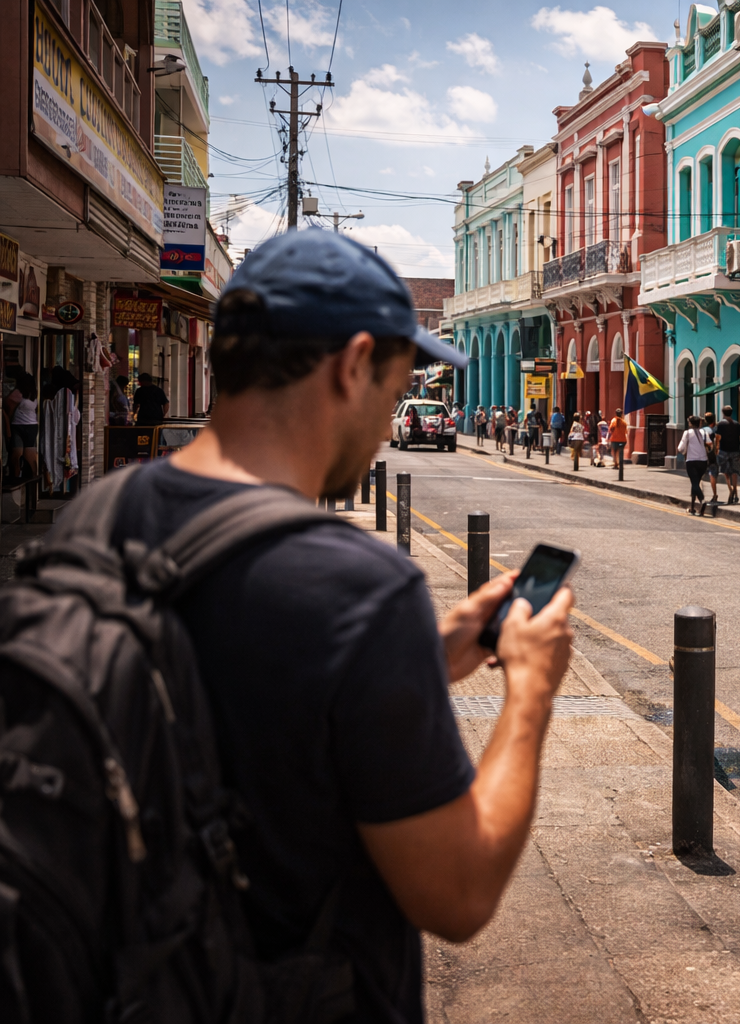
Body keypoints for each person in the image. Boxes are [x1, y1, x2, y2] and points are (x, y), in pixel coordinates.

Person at [103, 231, 573, 1020]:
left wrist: (422, 658)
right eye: (395, 395)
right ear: (353, 365)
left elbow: (235, 678)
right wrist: (529, 689)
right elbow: (458, 896)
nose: (391, 425)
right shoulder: (359, 590)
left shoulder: (100, 513)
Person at [6, 371, 38, 481]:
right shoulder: (33, 395)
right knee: (30, 456)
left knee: (17, 455)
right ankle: (32, 479)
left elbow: (6, 404)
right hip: (31, 426)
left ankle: (16, 479)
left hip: (18, 426)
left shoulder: (18, 393)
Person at [677, 415, 711, 515]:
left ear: (691, 423)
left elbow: (680, 448)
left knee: (695, 483)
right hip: (703, 461)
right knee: (695, 482)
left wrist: (683, 451)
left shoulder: (687, 433)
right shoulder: (704, 432)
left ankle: (702, 500)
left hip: (691, 461)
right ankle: (692, 508)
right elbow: (709, 443)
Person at [714, 405, 740, 504]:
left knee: (726, 472)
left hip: (723, 451)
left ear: (723, 413)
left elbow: (718, 438)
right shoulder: (738, 425)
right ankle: (735, 491)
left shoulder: (720, 425)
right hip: (735, 450)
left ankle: (730, 490)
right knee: (734, 472)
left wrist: (716, 449)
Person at [702, 410, 720, 503]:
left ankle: (711, 494)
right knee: (714, 474)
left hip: (707, 454)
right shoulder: (718, 429)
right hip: (718, 453)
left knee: (705, 474)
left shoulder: (704, 430)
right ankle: (715, 494)